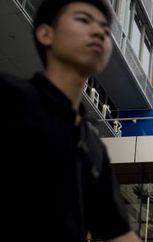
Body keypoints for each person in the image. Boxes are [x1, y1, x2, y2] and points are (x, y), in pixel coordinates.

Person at [0, 0, 142, 241]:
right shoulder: (9, 98)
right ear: (46, 34)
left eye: (106, 30)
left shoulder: (93, 145)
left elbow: (118, 233)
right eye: (83, 20)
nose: (99, 32)